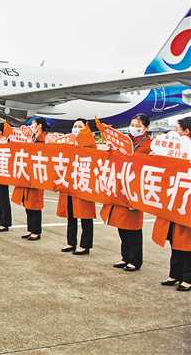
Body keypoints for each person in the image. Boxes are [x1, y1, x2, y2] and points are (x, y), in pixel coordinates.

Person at [100, 113, 151, 272]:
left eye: (138, 125)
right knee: (121, 225)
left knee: (133, 227)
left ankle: (135, 260)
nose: (134, 127)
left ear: (145, 128)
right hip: (121, 187)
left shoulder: (149, 144)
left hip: (135, 188)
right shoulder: (125, 140)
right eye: (133, 124)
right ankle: (125, 256)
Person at [152, 116, 191, 291]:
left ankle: (188, 277)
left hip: (186, 200)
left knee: (187, 241)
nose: (175, 132)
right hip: (174, 198)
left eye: (178, 129)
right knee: (175, 239)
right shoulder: (175, 149)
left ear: (186, 131)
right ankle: (174, 274)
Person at [56, 119, 97, 255]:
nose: (76, 128)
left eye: (80, 126)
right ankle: (70, 242)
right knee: (71, 215)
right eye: (74, 126)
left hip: (83, 183)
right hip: (70, 183)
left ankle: (85, 245)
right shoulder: (68, 141)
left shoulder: (90, 143)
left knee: (85, 216)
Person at [12, 117, 48, 241]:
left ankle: (36, 231)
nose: (32, 126)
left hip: (38, 175)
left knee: (35, 204)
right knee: (27, 204)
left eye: (33, 124)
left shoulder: (44, 138)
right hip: (28, 175)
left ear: (40, 125)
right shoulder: (32, 138)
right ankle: (30, 229)